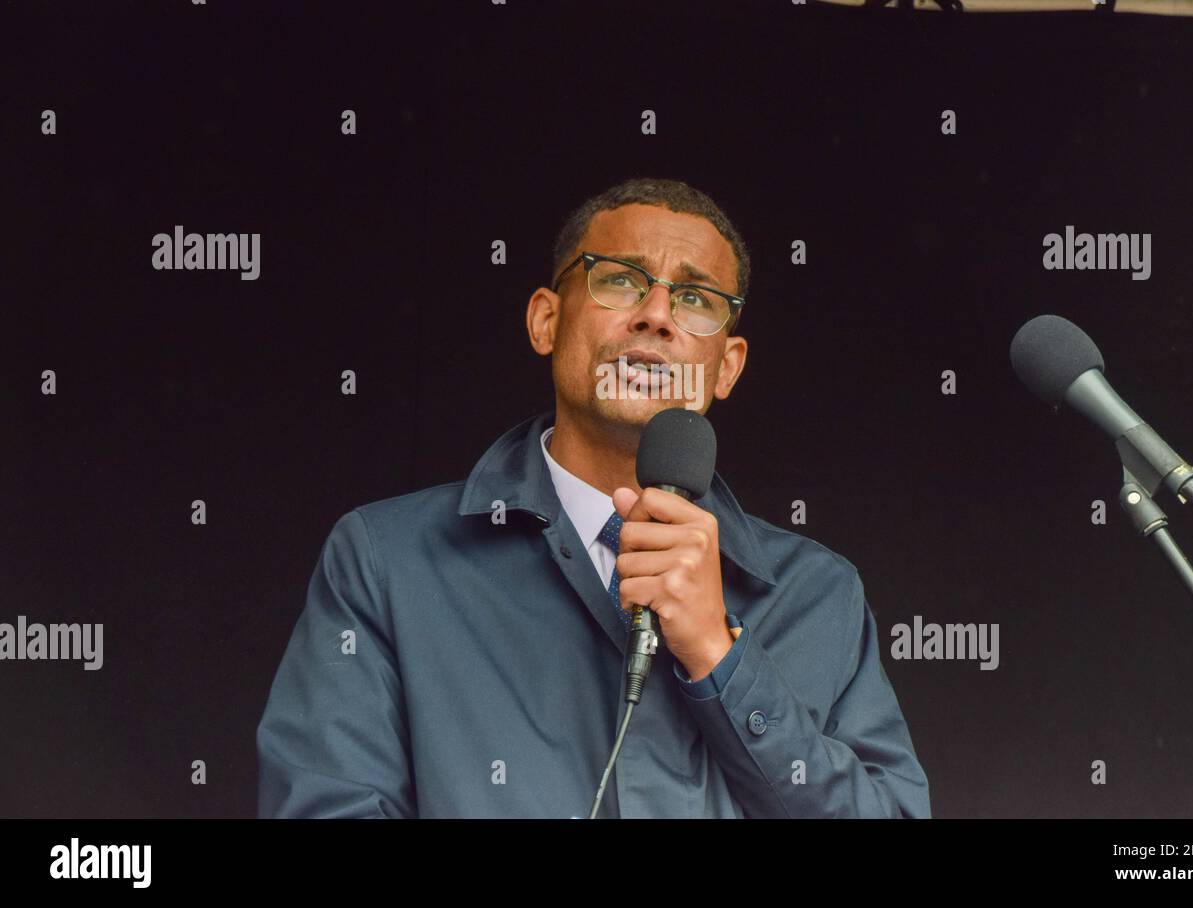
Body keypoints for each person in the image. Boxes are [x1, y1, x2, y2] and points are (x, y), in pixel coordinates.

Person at [256, 177, 930, 817]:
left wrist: (721, 656)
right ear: (546, 320)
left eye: (696, 300)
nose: (658, 314)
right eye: (620, 280)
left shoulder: (819, 594)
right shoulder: (387, 561)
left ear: (727, 366)